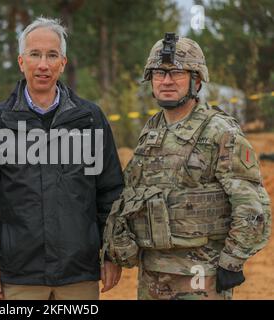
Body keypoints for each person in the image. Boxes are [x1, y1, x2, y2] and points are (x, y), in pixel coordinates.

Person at [102, 33, 271, 300]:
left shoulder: (220, 132)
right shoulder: (152, 129)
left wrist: (232, 260)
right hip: (152, 274)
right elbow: (133, 195)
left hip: (200, 274)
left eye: (176, 73)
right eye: (159, 73)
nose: (166, 81)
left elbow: (252, 205)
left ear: (197, 80)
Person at [0, 17, 123, 300]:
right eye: (35, 54)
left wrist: (112, 253)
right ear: (20, 61)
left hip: (79, 275)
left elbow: (111, 193)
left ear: (63, 62)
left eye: (52, 55)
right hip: (19, 276)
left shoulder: (90, 119)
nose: (43, 64)